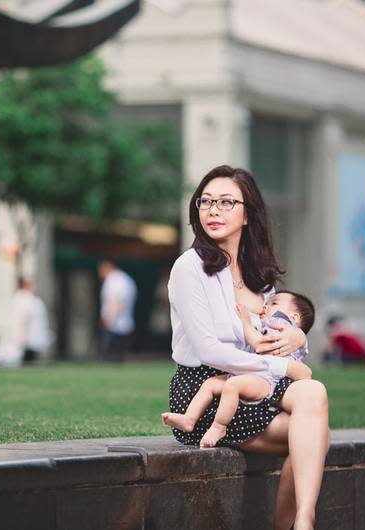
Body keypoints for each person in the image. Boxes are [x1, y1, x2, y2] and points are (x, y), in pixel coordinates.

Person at [166, 165, 329, 530]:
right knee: (317, 432)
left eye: (226, 202)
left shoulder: (259, 277)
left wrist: (298, 338)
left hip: (254, 385)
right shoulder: (189, 268)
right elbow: (208, 350)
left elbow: (274, 332)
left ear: (247, 214)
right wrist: (284, 368)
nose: (213, 210)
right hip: (205, 391)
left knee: (312, 401)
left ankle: (304, 519)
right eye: (205, 202)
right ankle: (300, 523)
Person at [162, 290, 315, 448]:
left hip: (268, 380)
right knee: (210, 384)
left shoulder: (280, 323)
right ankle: (189, 418)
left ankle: (219, 427)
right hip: (257, 373)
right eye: (266, 303)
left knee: (233, 385)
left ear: (294, 317)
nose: (265, 307)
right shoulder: (284, 329)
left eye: (273, 303)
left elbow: (259, 343)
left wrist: (245, 321)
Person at [97, 259, 137, 362]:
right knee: (119, 358)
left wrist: (108, 319)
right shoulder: (125, 279)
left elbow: (116, 302)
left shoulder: (113, 280)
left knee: (110, 358)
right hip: (126, 324)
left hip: (115, 325)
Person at [12, 276, 53, 364]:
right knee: (27, 358)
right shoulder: (24, 300)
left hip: (34, 336)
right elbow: (23, 319)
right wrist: (23, 335)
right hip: (28, 337)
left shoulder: (33, 300)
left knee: (32, 357)